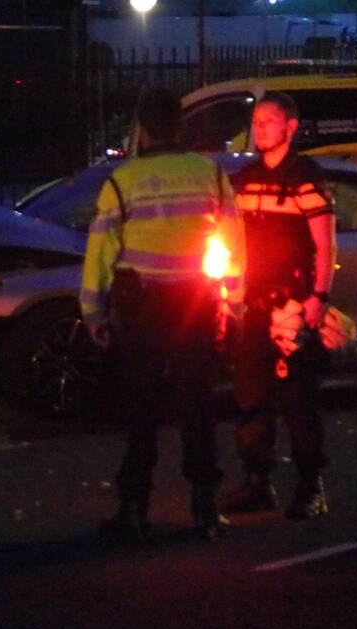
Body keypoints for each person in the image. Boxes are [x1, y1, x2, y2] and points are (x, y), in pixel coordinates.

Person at [81, 88, 246, 542]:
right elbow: (233, 247)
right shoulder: (210, 176)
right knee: (197, 404)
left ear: (143, 130)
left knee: (142, 408)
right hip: (195, 304)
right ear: (180, 127)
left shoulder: (123, 181)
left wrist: (94, 312)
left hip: (142, 308)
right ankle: (205, 509)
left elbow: (100, 252)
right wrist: (232, 303)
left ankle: (134, 508)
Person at [219, 92, 337, 520]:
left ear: (290, 126)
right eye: (256, 119)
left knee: (298, 400)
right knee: (251, 396)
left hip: (293, 307)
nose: (259, 126)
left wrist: (318, 298)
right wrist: (229, 291)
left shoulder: (306, 177)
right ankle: (257, 483)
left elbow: (325, 243)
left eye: (269, 119)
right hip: (252, 306)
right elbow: (231, 241)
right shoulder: (245, 178)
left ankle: (311, 487)